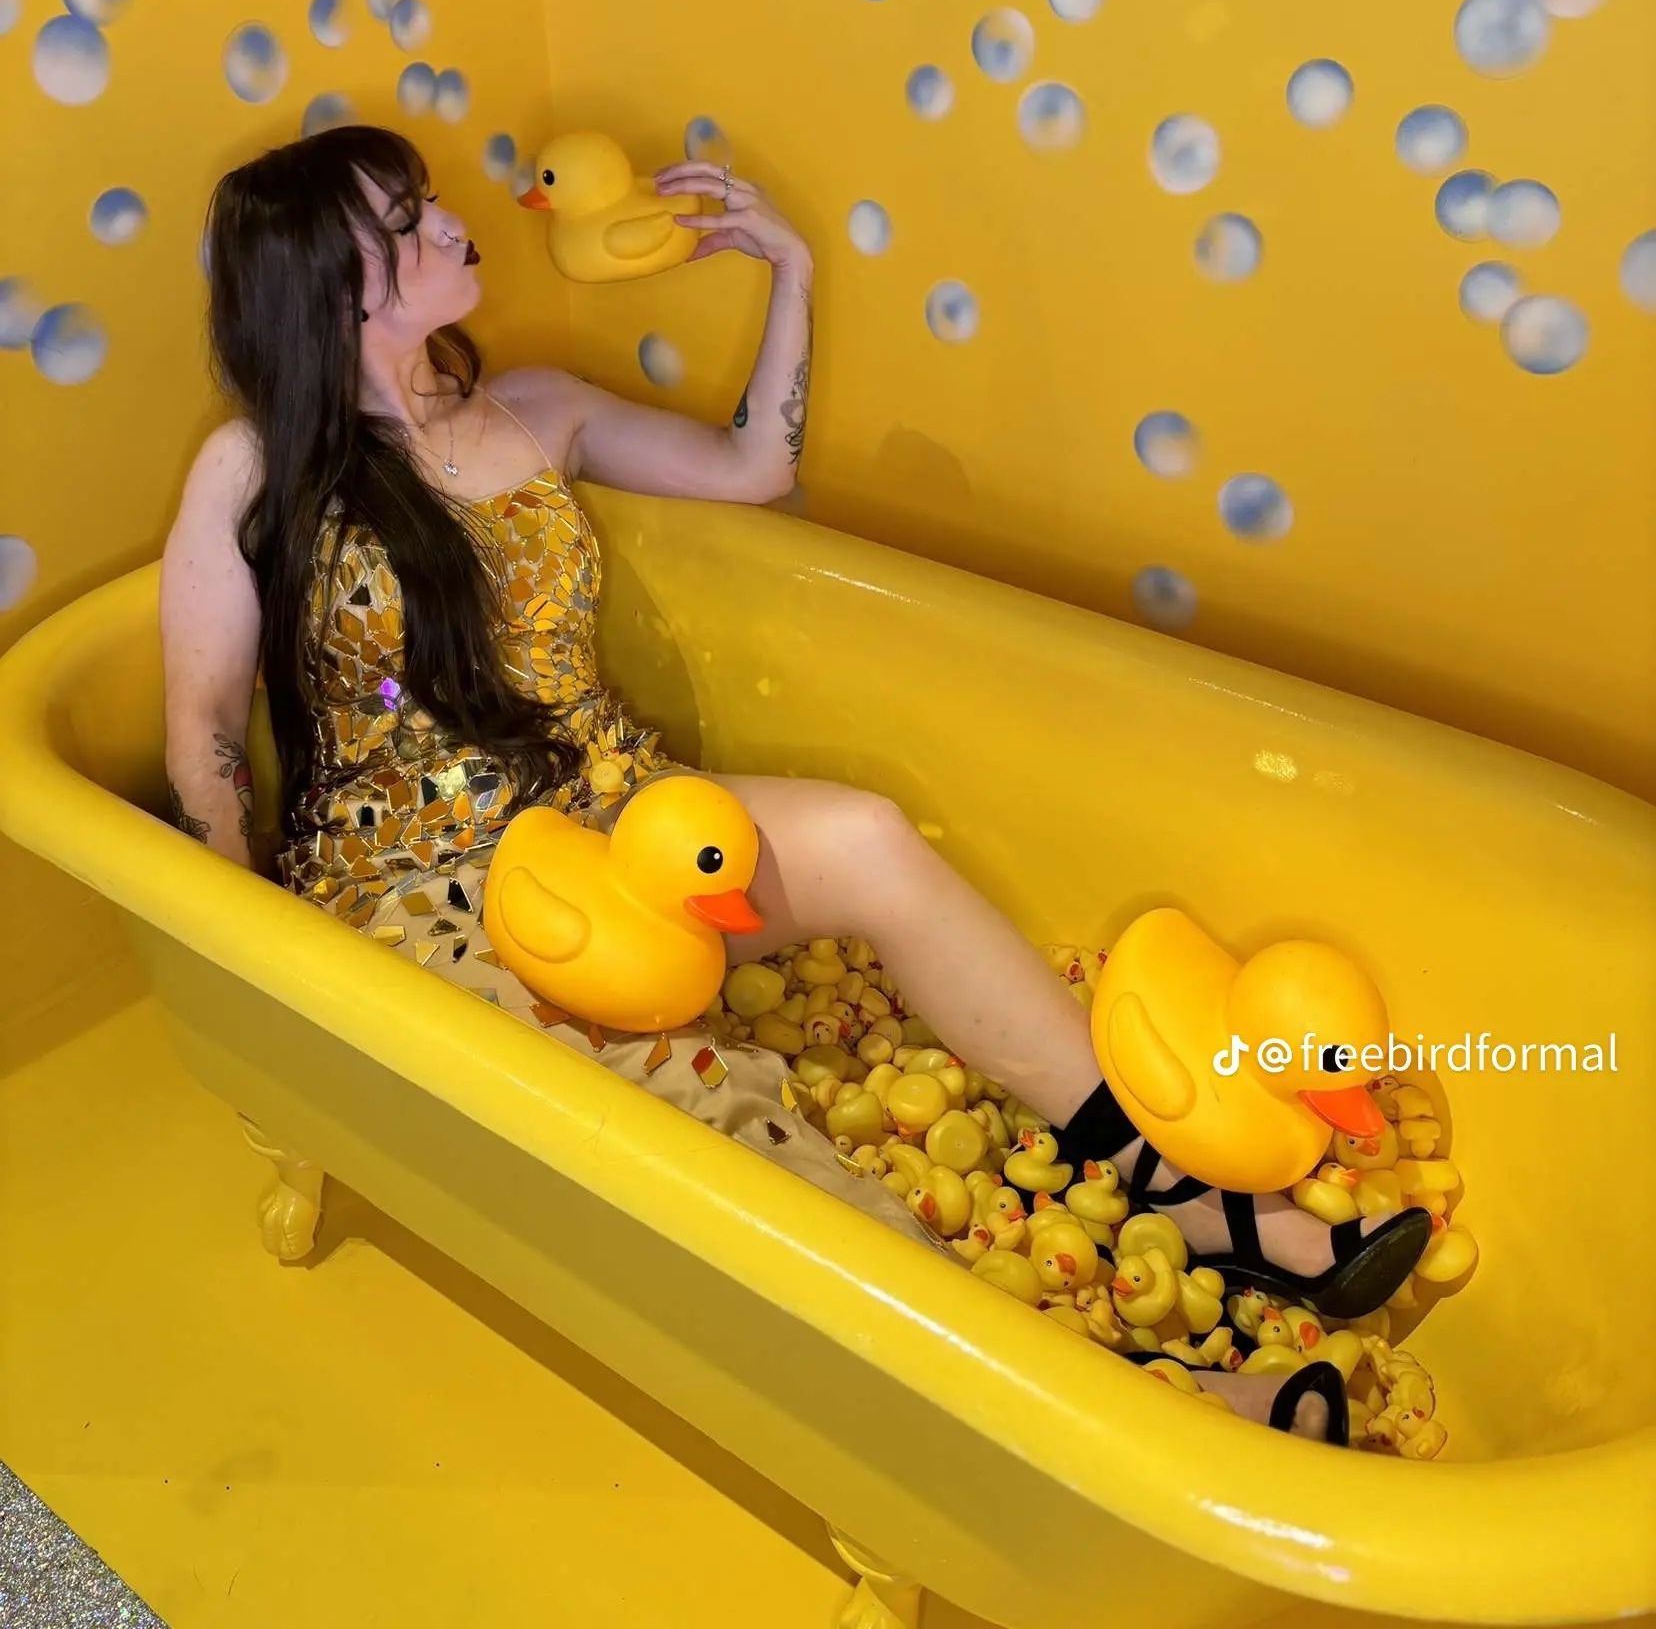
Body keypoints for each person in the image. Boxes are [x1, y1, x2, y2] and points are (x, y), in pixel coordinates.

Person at [160, 125, 1427, 1440]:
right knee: (719, 1112)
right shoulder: (255, 472)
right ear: (338, 284)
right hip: (434, 893)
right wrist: (258, 963)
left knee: (872, 841)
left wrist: (794, 271)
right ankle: (1131, 1412)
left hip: (628, 821)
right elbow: (202, 733)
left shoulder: (534, 408)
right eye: (407, 221)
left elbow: (755, 470)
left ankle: (1192, 1203)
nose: (448, 226)